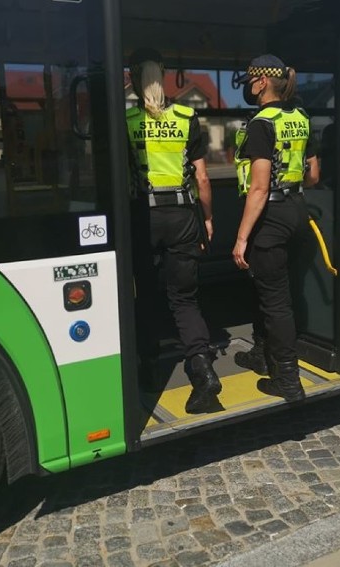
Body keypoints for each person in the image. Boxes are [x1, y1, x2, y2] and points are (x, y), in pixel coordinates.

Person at [126, 47, 221, 413]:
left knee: (146, 295)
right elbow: (202, 178)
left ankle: (149, 369)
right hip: (183, 216)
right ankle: (203, 370)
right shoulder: (186, 116)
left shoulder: (129, 120)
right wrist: (208, 219)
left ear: (135, 78)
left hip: (144, 218)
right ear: (164, 77)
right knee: (184, 298)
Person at [231, 54, 318, 402]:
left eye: (251, 80)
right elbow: (313, 176)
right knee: (275, 293)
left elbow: (259, 187)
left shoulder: (260, 124)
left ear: (262, 82)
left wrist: (241, 238)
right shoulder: (301, 117)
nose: (249, 86)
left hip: (271, 217)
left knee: (276, 303)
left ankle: (287, 380)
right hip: (297, 210)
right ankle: (262, 355)